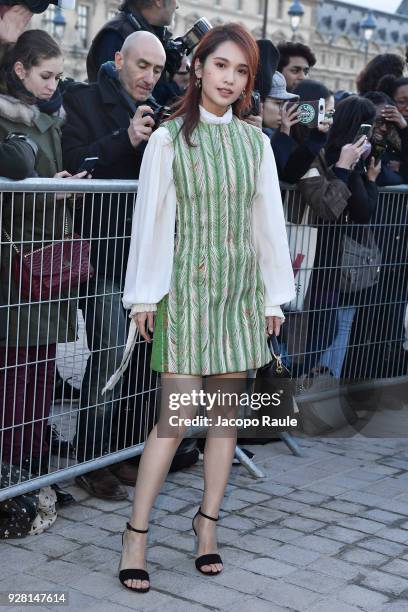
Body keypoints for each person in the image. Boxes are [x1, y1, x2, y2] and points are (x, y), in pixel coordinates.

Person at [104, 23, 295, 592]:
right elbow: (152, 225)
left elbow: (268, 228)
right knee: (176, 419)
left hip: (238, 294)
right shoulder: (166, 140)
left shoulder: (255, 144)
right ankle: (135, 533)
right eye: (221, 67)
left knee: (224, 424)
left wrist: (272, 297)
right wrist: (144, 295)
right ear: (199, 68)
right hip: (186, 292)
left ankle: (206, 526)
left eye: (242, 72)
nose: (230, 80)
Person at [61, 31, 166, 501]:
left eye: (158, 70)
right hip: (100, 253)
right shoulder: (82, 100)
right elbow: (70, 162)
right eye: (142, 65)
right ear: (119, 60)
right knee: (107, 352)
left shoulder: (161, 109)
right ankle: (89, 458)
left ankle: (120, 450)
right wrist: (125, 138)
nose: (149, 77)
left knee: (142, 357)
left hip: (144, 254)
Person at [0, 30, 88, 475]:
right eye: (45, 75)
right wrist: (52, 194)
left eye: (57, 76)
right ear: (20, 70)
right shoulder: (7, 121)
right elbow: (12, 192)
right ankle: (14, 469)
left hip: (47, 261)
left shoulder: (46, 118)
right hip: (17, 263)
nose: (53, 84)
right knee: (18, 373)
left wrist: (62, 185)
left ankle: (33, 466)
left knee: (40, 372)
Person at [293, 95, 380, 378]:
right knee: (299, 340)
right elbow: (328, 208)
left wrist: (364, 175)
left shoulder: (350, 159)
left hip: (330, 265)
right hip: (306, 261)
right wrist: (342, 167)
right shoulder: (320, 155)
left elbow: (363, 212)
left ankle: (285, 394)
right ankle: (272, 400)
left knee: (323, 333)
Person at [86, 0, 179, 85]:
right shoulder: (115, 35)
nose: (177, 6)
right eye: (142, 66)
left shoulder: (148, 33)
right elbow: (113, 95)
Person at [363, 90, 408, 186]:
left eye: (389, 123)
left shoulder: (390, 147)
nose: (384, 128)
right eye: (378, 122)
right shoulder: (354, 148)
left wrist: (404, 129)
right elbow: (384, 178)